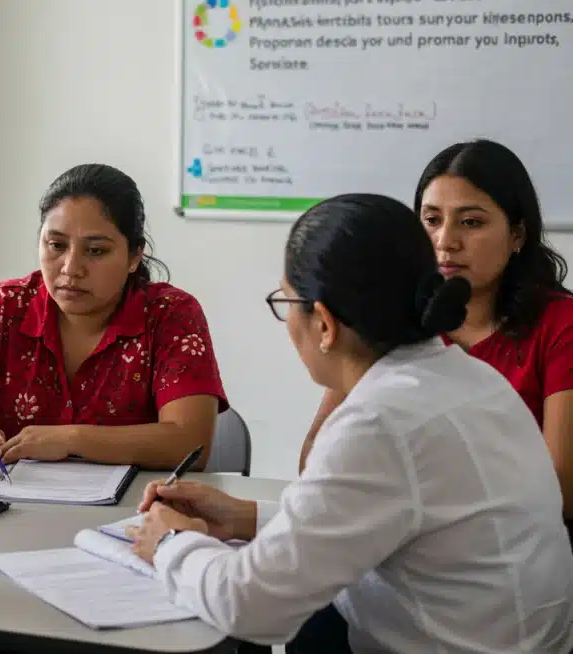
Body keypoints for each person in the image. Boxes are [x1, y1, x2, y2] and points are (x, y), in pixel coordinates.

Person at [128, 194, 573, 653]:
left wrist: (169, 543)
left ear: (323, 323)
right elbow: (390, 517)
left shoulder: (379, 421)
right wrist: (245, 516)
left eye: (286, 302)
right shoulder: (466, 376)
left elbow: (250, 605)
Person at [300, 140, 573, 535]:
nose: (446, 241)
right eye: (431, 220)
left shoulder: (561, 323)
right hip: (395, 546)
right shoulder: (393, 320)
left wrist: (401, 488)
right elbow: (316, 463)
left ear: (517, 234)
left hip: (514, 554)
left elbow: (560, 487)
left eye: (471, 222)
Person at [0, 163, 227, 475]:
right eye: (57, 245)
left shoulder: (171, 315)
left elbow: (190, 443)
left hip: (133, 516)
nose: (70, 268)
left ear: (134, 256)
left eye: (96, 251)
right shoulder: (1, 308)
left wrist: (72, 438)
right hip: (13, 511)